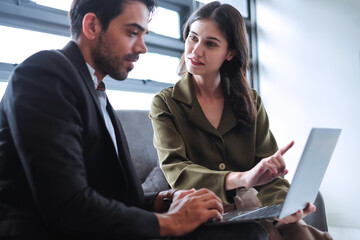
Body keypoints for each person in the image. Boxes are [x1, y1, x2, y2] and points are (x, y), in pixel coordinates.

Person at [0, 0, 269, 239]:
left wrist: (164, 200)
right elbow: (67, 204)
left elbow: (116, 198)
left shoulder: (96, 92)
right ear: (92, 25)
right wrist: (170, 222)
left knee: (250, 231)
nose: (142, 47)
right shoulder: (45, 73)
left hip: (101, 224)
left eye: (143, 35)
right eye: (132, 33)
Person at [150, 1, 332, 239]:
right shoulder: (165, 103)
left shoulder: (250, 101)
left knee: (301, 232)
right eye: (193, 38)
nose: (195, 51)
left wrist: (287, 207)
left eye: (210, 44)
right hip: (206, 214)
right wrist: (243, 178)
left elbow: (269, 174)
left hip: (250, 209)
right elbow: (178, 172)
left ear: (230, 53)